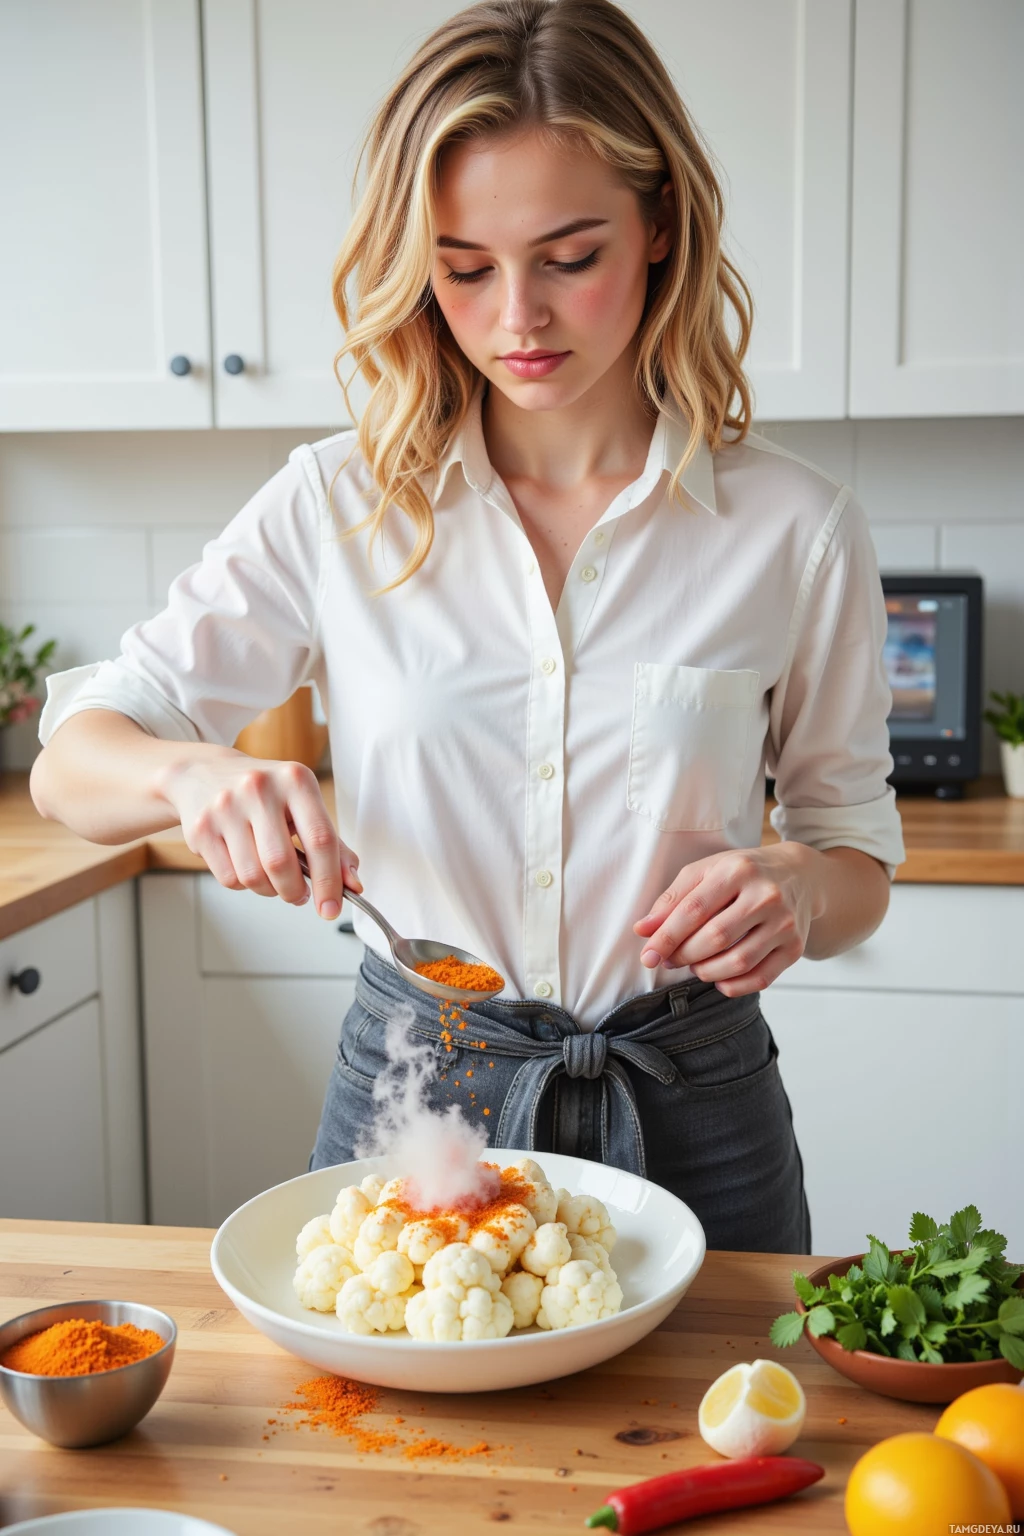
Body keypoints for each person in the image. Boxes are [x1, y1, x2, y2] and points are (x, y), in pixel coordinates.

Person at [30, 0, 904, 1252]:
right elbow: (72, 764)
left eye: (568, 255)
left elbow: (855, 857)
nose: (516, 320)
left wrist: (800, 891)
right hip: (414, 1093)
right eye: (463, 267)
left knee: (721, 1443)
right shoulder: (340, 502)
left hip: (695, 1102)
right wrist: (190, 771)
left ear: (659, 226)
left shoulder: (796, 529)